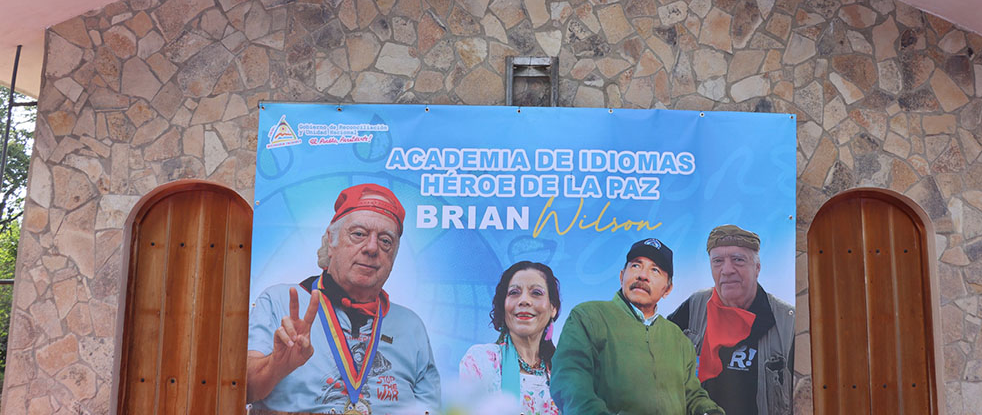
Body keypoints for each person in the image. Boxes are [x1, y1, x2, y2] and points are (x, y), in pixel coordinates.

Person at [247, 183, 441, 414]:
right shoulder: (280, 302)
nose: (371, 247)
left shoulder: (411, 325)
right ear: (331, 241)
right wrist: (276, 366)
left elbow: (432, 408)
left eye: (385, 241)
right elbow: (245, 389)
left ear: (394, 256)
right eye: (358, 234)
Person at [550, 238, 723, 415]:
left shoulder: (678, 339)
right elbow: (570, 382)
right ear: (621, 276)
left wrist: (708, 410)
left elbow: (691, 395)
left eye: (655, 270)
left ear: (668, 288)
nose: (642, 275)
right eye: (635, 266)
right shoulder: (588, 317)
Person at [669, 224, 795, 415]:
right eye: (718, 261)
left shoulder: (788, 323)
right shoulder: (694, 307)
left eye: (738, 260)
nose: (727, 270)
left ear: (757, 268)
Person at [459, 261, 562, 415]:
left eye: (536, 293)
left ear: (553, 308)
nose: (524, 300)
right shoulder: (482, 361)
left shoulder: (564, 371)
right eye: (514, 292)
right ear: (504, 305)